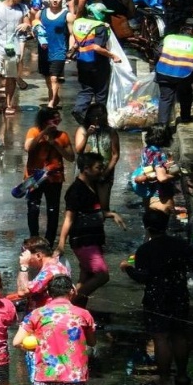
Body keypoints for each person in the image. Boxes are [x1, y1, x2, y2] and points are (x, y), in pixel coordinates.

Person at [120, 209, 193, 385]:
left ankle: (163, 380)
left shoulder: (145, 249)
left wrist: (127, 268)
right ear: (166, 224)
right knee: (179, 334)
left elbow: (142, 277)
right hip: (179, 294)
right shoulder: (181, 245)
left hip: (156, 296)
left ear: (147, 227)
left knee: (160, 336)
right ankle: (182, 375)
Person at [56, 152, 127, 308]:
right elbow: (69, 218)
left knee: (86, 278)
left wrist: (111, 214)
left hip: (93, 239)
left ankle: (78, 313)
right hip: (83, 240)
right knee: (102, 275)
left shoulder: (92, 186)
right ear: (86, 169)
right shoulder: (76, 190)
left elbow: (90, 212)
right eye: (98, 168)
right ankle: (65, 305)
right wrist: (61, 244)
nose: (101, 171)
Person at [12, 276, 96, 385]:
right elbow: (92, 342)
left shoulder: (36, 314)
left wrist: (33, 348)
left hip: (46, 372)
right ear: (72, 291)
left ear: (48, 293)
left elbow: (16, 342)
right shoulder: (83, 314)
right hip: (74, 374)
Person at [24, 108, 75, 245]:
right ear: (45, 120)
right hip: (34, 177)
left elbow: (70, 157)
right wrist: (43, 134)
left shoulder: (62, 135)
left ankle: (49, 241)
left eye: (59, 119)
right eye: (54, 119)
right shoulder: (33, 131)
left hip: (54, 178)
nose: (57, 122)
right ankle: (33, 238)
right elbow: (28, 148)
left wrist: (55, 144)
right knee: (33, 208)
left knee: (53, 209)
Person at [70, 4, 122, 124]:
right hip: (97, 63)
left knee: (86, 89)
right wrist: (113, 56)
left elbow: (77, 41)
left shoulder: (78, 22)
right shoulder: (100, 27)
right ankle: (99, 119)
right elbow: (97, 47)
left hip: (82, 61)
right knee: (100, 92)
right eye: (103, 13)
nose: (105, 15)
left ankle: (79, 109)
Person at [73, 104, 119, 212]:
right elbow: (78, 150)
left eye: (100, 116)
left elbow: (115, 155)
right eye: (93, 116)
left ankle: (99, 226)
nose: (96, 119)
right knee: (84, 203)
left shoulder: (111, 132)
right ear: (88, 116)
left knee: (103, 207)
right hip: (87, 171)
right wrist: (87, 135)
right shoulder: (82, 129)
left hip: (104, 171)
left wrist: (106, 173)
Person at [36, 0, 73, 109]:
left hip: (59, 51)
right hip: (44, 51)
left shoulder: (67, 15)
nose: (55, 0)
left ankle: (51, 103)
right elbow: (35, 27)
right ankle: (54, 97)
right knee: (47, 77)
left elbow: (72, 34)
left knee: (54, 77)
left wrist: (71, 49)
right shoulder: (41, 13)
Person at [155, 18, 193, 125]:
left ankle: (162, 126)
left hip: (163, 71)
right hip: (183, 74)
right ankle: (185, 117)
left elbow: (157, 52)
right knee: (185, 92)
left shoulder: (169, 38)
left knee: (165, 99)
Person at [138, 125, 178, 215]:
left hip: (148, 193)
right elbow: (162, 178)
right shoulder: (159, 154)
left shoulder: (146, 150)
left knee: (151, 223)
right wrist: (175, 175)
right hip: (160, 196)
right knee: (162, 224)